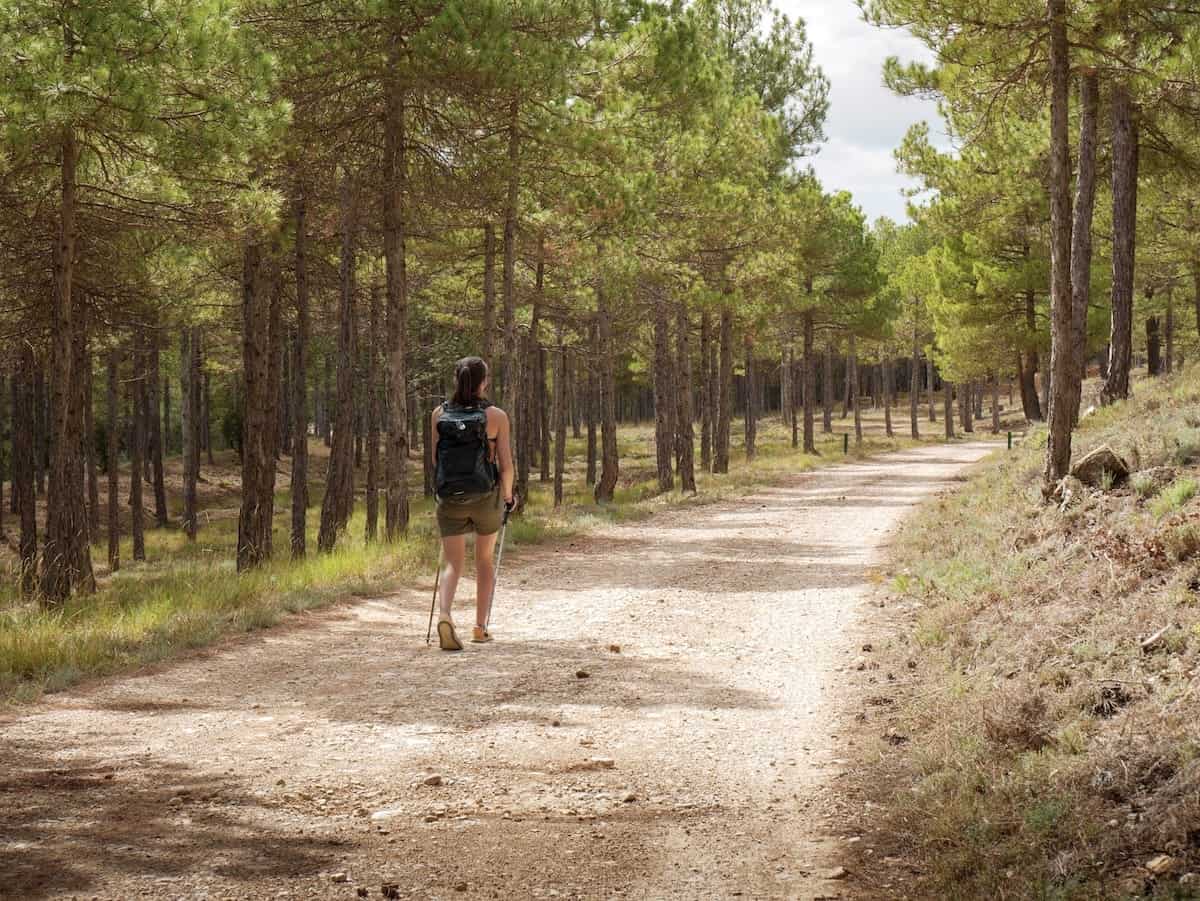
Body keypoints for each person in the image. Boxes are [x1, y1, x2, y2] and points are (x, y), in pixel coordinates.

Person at [431, 357, 515, 651]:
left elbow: (435, 461)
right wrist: (508, 496)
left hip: (450, 498)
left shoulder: (439, 414)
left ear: (457, 379)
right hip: (484, 498)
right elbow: (506, 466)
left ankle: (444, 615)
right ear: (484, 382)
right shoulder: (497, 416)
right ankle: (480, 628)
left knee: (453, 563)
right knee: (484, 560)